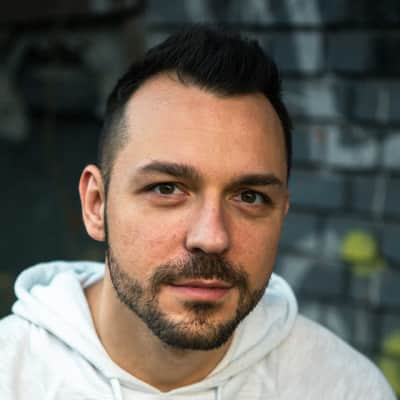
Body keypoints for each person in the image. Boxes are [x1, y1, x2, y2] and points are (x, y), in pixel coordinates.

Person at [0, 26, 395, 400]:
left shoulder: (344, 387)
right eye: (167, 189)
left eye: (250, 197)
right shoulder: (11, 374)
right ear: (96, 204)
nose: (211, 237)